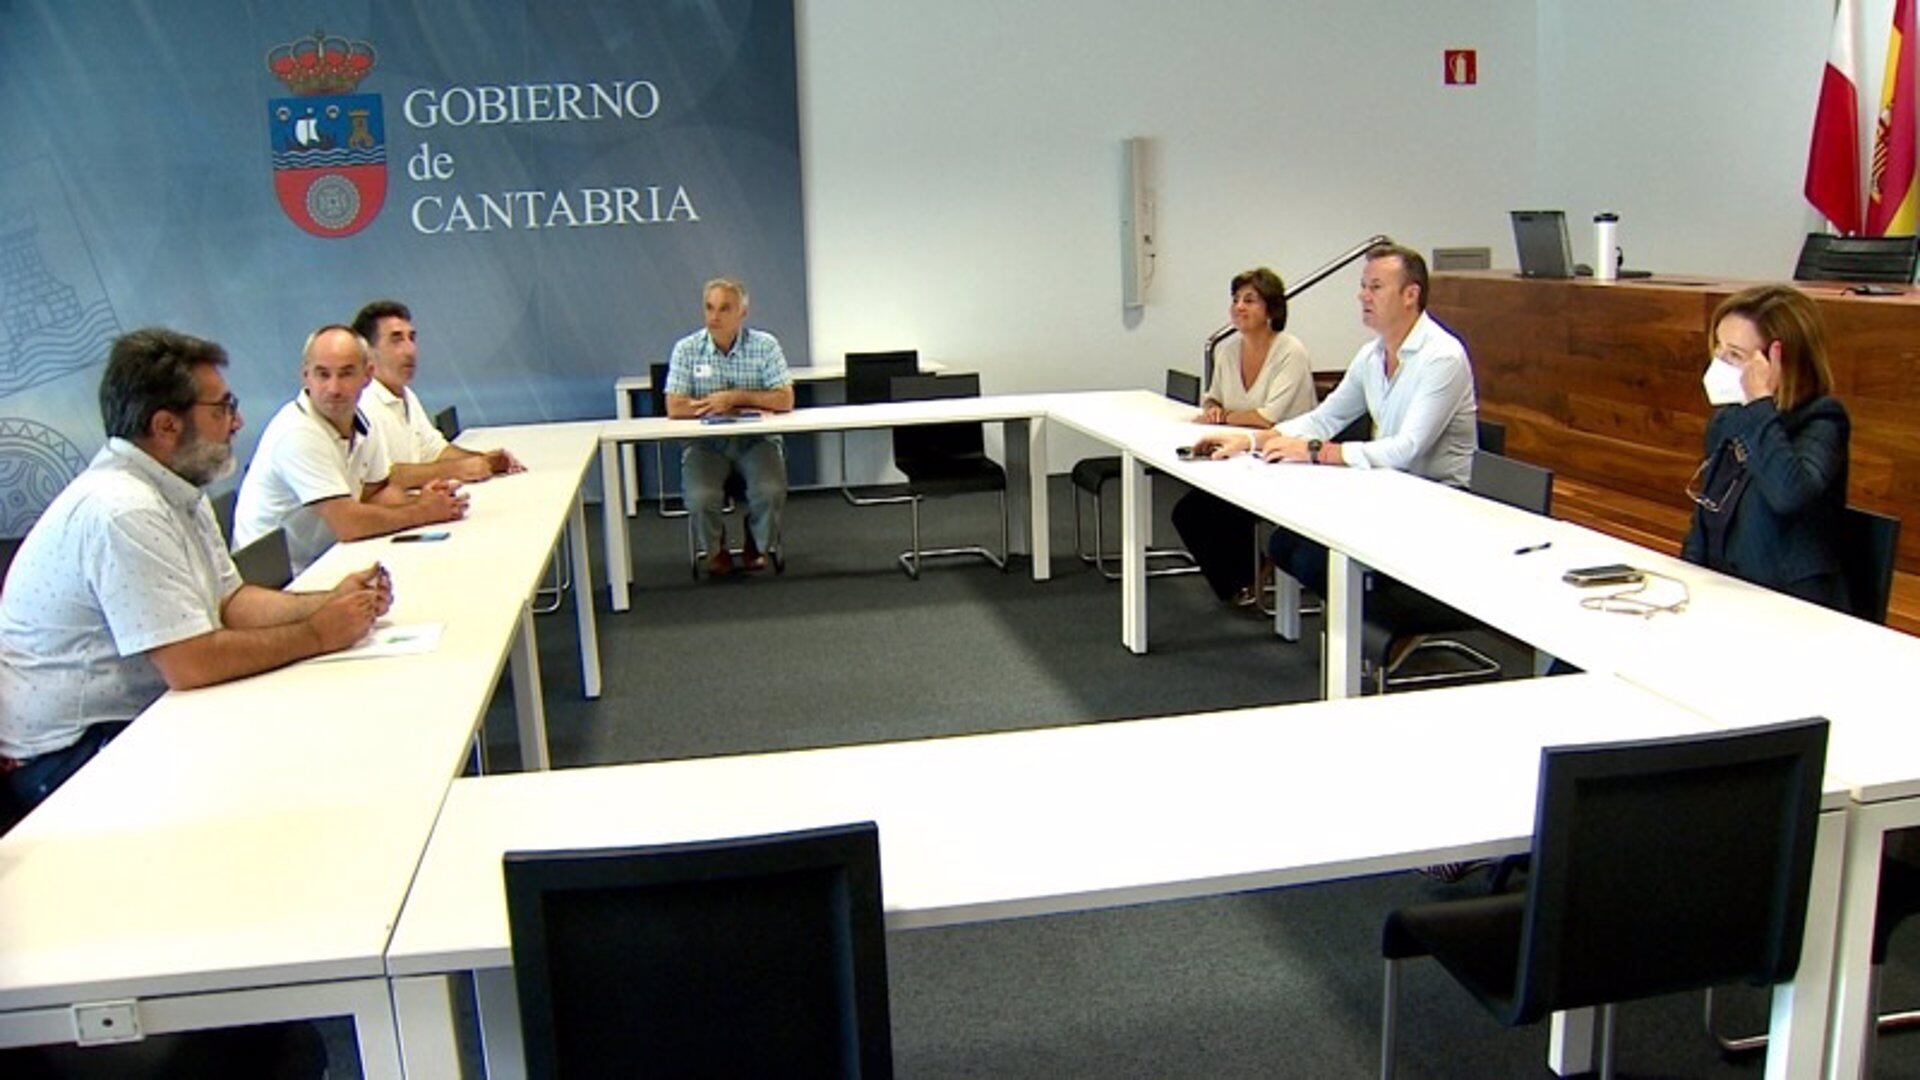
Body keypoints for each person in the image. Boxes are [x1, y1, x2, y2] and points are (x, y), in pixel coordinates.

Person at [0, 328, 391, 814]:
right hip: (66, 759)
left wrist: (331, 601)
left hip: (127, 719)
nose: (237, 421)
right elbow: (190, 663)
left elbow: (230, 602)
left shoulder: (175, 487)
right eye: (222, 409)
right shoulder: (122, 509)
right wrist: (318, 633)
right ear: (166, 426)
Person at [1193, 243, 1477, 598]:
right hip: (1386, 484)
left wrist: (1317, 452)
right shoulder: (1371, 354)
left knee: (1314, 559)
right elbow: (1326, 417)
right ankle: (1363, 619)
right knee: (1285, 546)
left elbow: (1408, 448)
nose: (1362, 296)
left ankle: (1379, 620)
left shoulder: (1442, 357)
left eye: (1375, 287)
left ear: (1410, 295)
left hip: (1435, 496)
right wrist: (1250, 442)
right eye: (1363, 286)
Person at [233, 325, 469, 574]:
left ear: (367, 375)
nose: (333, 388)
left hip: (329, 555)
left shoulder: (362, 420)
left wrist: (425, 501)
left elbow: (377, 493)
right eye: (322, 374)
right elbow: (348, 524)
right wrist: (423, 512)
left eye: (346, 374)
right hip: (284, 578)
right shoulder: (297, 432)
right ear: (306, 376)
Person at [1680, 284, 1850, 611]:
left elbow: (1788, 493)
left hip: (1791, 607)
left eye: (1735, 355)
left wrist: (1760, 403)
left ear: (1780, 363)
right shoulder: (1728, 420)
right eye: (1719, 347)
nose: (1719, 362)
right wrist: (1685, 579)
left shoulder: (1823, 420)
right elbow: (1704, 518)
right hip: (1726, 595)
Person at [1170, 267, 1317, 605]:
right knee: (1189, 512)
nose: (1239, 307)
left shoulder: (1289, 351)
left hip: (1287, 460)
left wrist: (1224, 419)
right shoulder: (1228, 351)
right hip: (1242, 457)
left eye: (1249, 300)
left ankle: (1256, 576)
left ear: (1271, 309)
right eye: (1235, 300)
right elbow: (1213, 397)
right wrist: (1213, 409)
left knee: (1218, 509)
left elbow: (1267, 418)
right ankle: (1245, 582)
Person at [665, 277, 795, 576]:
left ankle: (756, 542)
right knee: (699, 497)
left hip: (756, 439)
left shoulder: (765, 345)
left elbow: (785, 399)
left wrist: (735, 398)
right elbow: (675, 406)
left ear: (742, 313)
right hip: (706, 444)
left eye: (724, 309)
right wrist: (720, 405)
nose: (714, 316)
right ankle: (715, 548)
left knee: (771, 489)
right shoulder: (686, 349)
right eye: (709, 308)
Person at [351, 299, 524, 485]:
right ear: (367, 351)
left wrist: (484, 460)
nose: (410, 350)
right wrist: (455, 469)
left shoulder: (406, 395)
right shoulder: (361, 404)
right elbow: (377, 478)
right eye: (397, 339)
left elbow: (434, 450)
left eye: (412, 338)